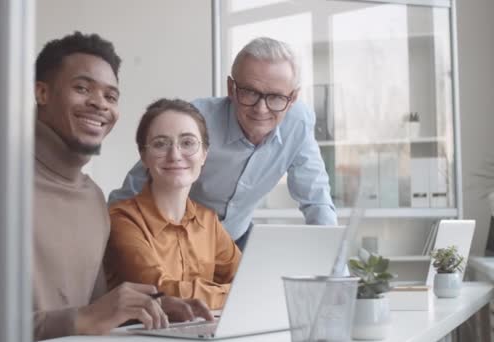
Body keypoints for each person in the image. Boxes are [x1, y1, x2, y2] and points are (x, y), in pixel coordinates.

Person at [0, 32, 212, 342]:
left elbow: (91, 315)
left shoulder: (94, 198)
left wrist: (148, 308)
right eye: (82, 88)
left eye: (111, 96)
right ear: (42, 93)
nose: (99, 103)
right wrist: (78, 320)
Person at [109, 37, 337, 250]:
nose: (261, 109)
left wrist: (335, 271)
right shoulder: (194, 121)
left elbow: (316, 199)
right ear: (231, 89)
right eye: (249, 93)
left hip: (236, 239)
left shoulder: (297, 123)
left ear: (293, 98)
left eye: (276, 97)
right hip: (177, 242)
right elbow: (135, 188)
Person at [104, 99, 241, 310]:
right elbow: (161, 291)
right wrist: (234, 294)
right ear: (143, 156)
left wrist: (241, 291)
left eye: (187, 143)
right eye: (160, 144)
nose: (175, 155)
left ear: (204, 154)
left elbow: (248, 277)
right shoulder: (121, 220)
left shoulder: (208, 220)